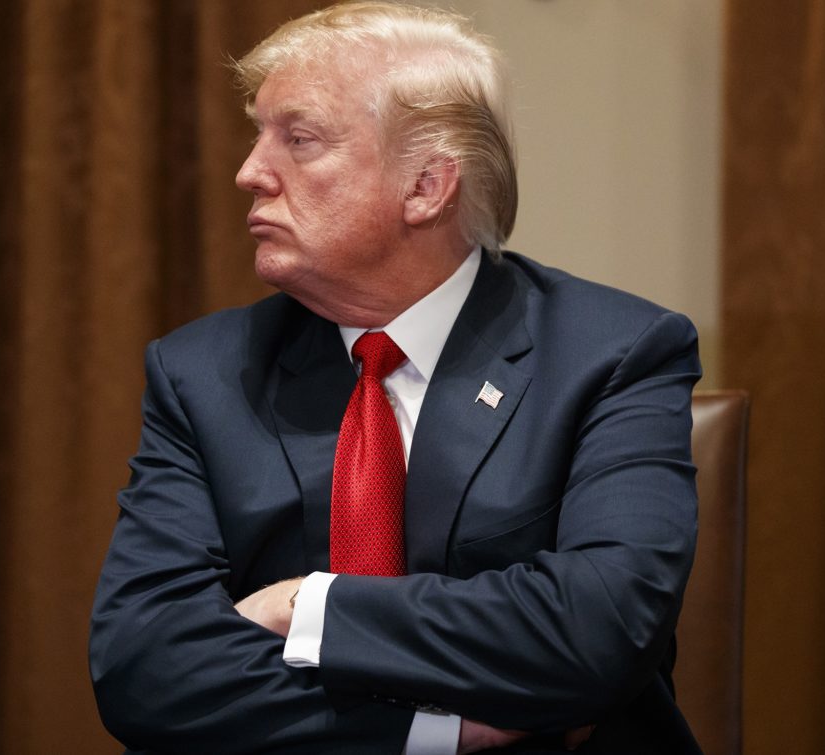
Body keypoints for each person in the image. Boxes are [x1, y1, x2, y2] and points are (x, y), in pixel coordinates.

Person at [89, 2, 702, 753]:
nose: (249, 172)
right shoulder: (203, 373)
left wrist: (305, 607)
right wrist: (427, 732)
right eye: (258, 135)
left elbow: (597, 630)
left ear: (426, 187)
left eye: (300, 139)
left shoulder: (615, 353)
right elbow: (142, 664)